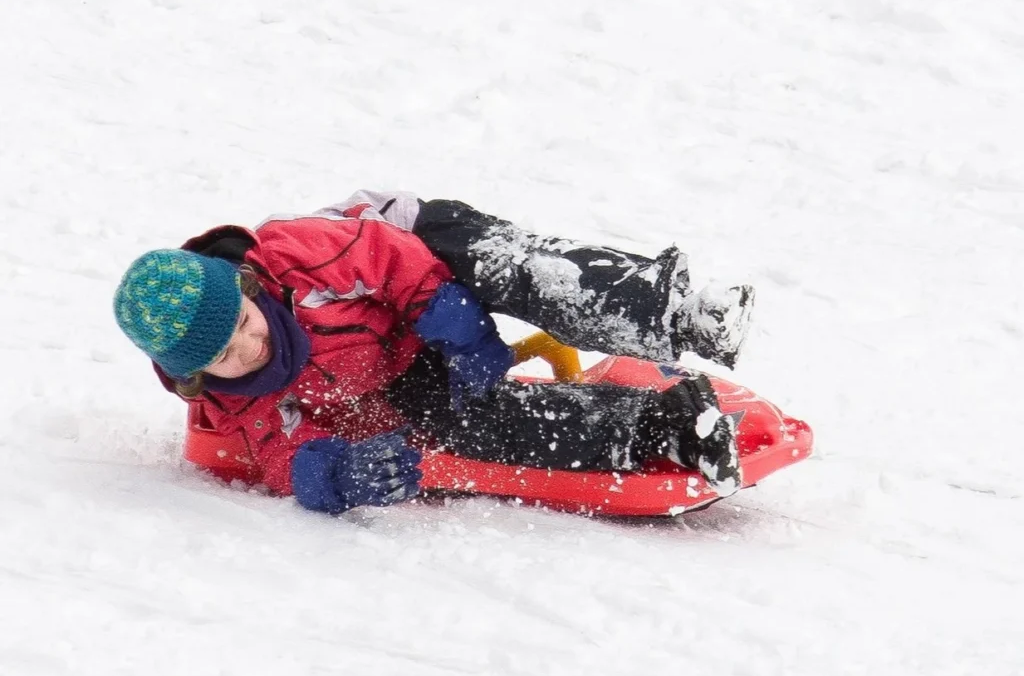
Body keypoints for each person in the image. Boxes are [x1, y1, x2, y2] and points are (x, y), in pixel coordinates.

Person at [113, 191, 752, 514]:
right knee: (468, 423)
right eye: (224, 355)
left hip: (414, 245)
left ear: (248, 287)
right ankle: (669, 426)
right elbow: (282, 453)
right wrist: (337, 475)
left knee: (508, 270)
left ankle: (676, 311)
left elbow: (397, 263)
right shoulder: (234, 399)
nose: (251, 346)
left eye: (243, 323)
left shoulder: (296, 255)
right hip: (398, 362)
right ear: (195, 376)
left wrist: (466, 334)